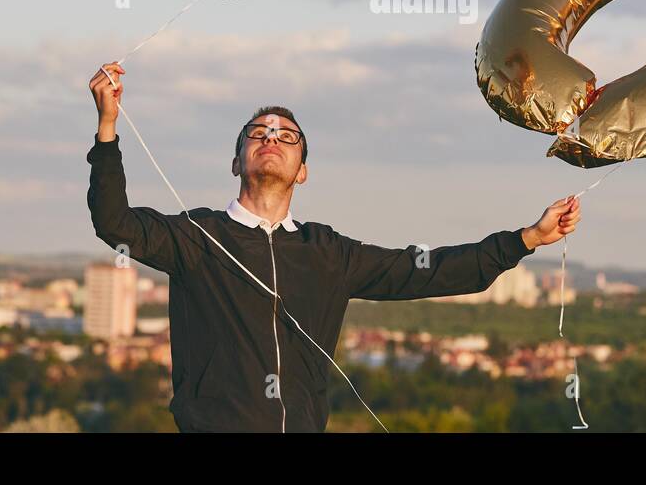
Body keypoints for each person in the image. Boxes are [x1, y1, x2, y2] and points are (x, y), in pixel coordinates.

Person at [85, 62, 581, 432]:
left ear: (303, 170)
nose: (271, 138)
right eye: (257, 134)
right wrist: (108, 127)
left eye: (287, 135)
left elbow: (427, 270)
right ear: (236, 162)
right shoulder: (198, 237)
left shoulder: (329, 253)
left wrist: (527, 239)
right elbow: (115, 223)